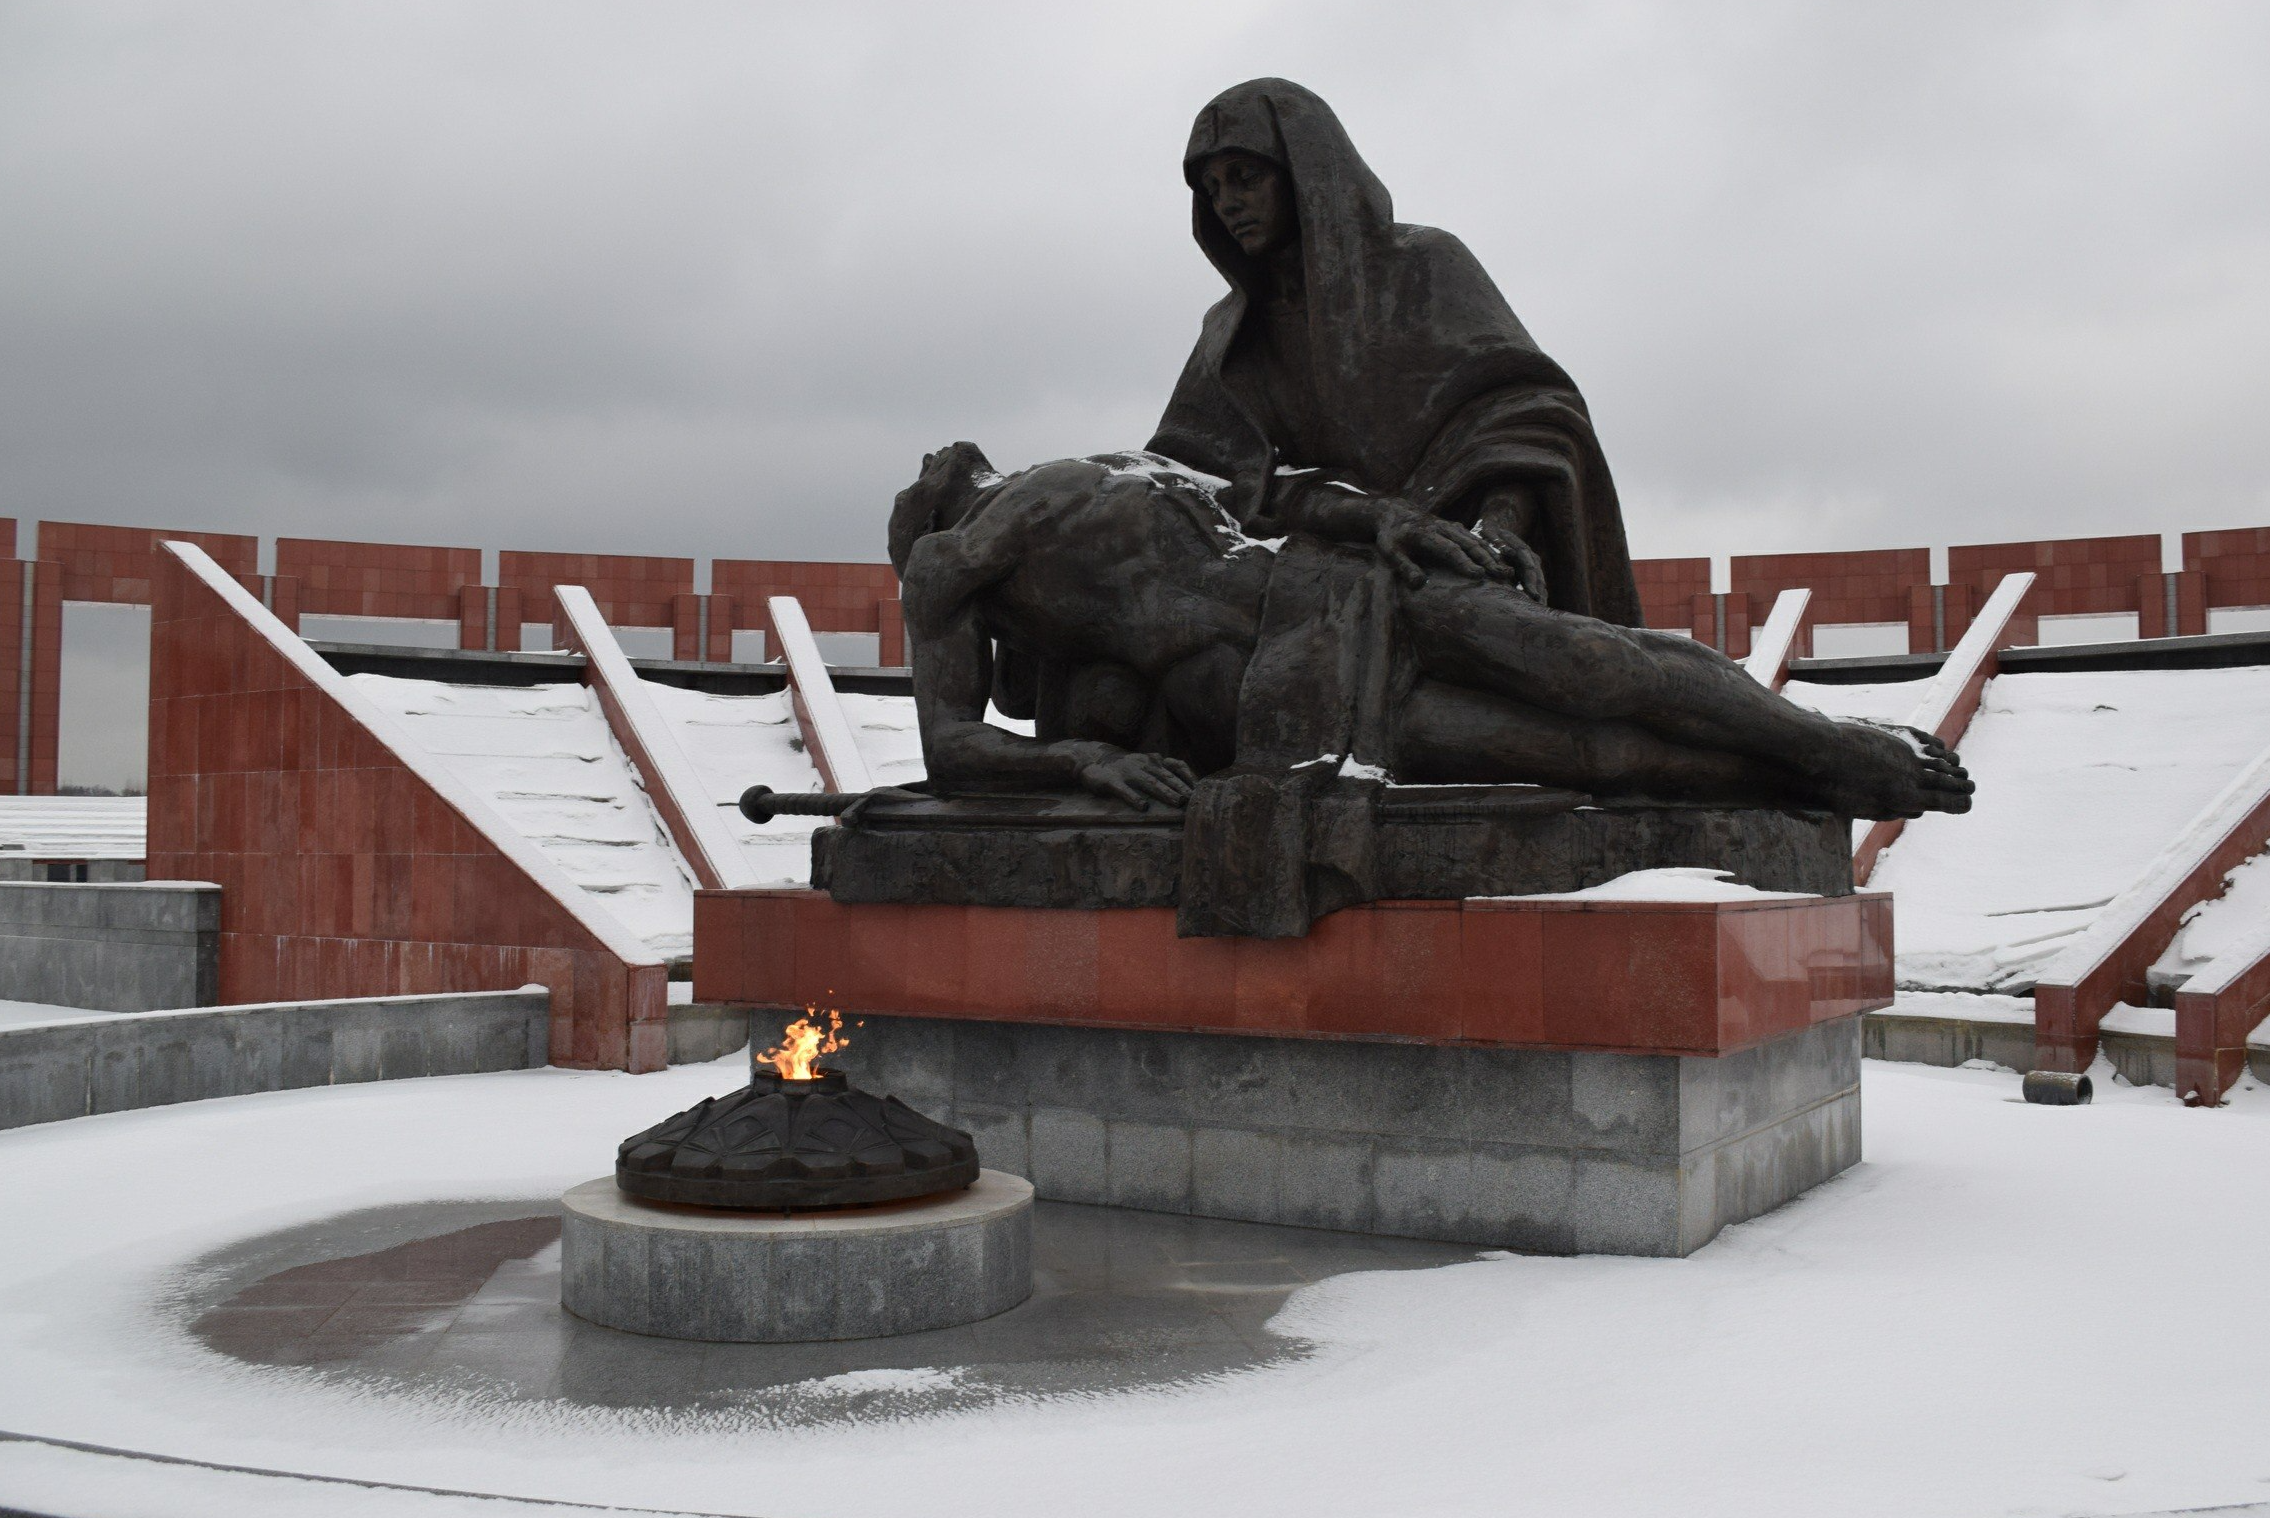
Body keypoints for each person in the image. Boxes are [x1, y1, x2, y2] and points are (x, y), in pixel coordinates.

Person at [887, 442, 1972, 824]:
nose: (933, 457)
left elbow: (1273, 502)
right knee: (1573, 753)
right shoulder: (949, 569)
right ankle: (1785, 782)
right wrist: (1084, 764)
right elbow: (950, 750)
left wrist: (1390, 519)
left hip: (1328, 582)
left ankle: (1821, 745)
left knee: (1587, 659)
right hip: (1276, 686)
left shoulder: (1112, 466)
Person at [1150, 78, 1641, 624]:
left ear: (1308, 173)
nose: (1228, 204)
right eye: (1213, 189)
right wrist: (1366, 514)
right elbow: (1197, 483)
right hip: (1308, 579)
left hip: (1456, 565)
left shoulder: (1424, 265)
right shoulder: (1229, 335)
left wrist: (1496, 528)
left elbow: (1530, 421)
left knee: (1588, 665)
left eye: (1246, 177)